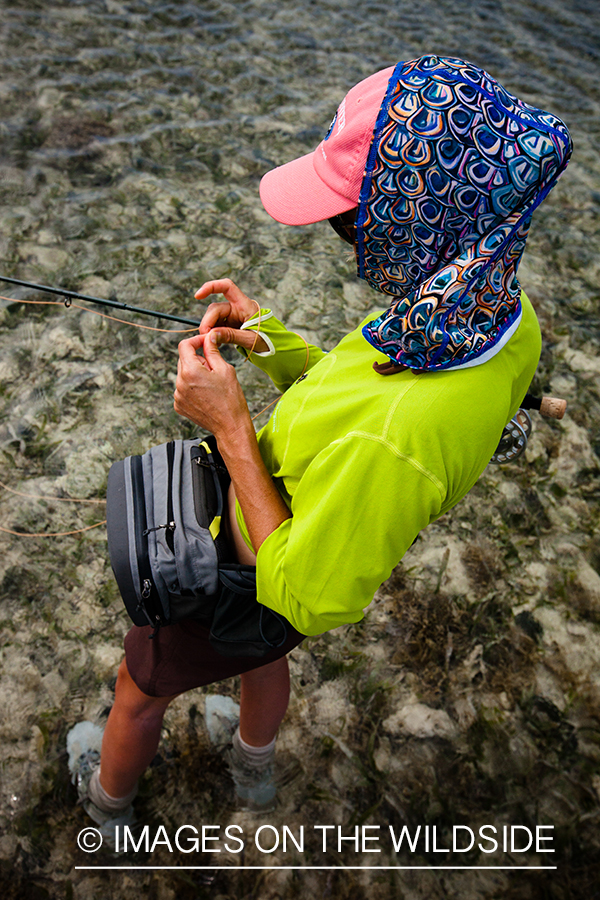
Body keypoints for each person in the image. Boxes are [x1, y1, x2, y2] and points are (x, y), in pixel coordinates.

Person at [68, 54, 571, 828]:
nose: (344, 238)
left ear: (420, 213)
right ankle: (254, 771)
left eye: (351, 219)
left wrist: (231, 426)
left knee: (140, 689)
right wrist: (266, 338)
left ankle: (107, 806)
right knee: (266, 658)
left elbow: (307, 594)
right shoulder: (482, 310)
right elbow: (346, 389)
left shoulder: (403, 434)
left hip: (249, 572)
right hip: (289, 570)